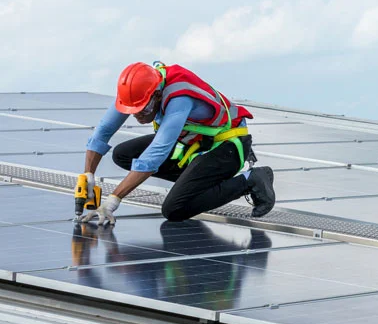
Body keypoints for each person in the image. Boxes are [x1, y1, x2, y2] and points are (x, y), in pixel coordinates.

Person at [78, 61, 275, 225]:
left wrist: (113, 200)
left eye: (142, 109)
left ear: (156, 95)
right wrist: (88, 175)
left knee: (174, 209)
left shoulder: (179, 97)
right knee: (123, 154)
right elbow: (103, 131)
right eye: (132, 110)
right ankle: (196, 181)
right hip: (195, 143)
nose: (137, 115)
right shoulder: (138, 91)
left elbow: (156, 154)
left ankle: (249, 180)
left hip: (228, 145)